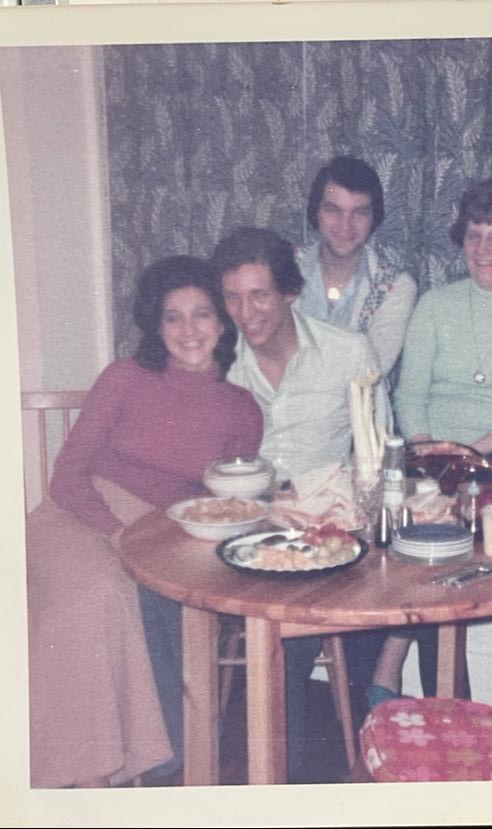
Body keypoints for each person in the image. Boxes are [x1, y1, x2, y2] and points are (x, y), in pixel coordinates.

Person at [27, 255, 263, 787]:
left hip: (164, 529)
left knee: (132, 594)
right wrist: (118, 532)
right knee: (96, 594)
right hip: (78, 516)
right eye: (172, 317)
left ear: (222, 322)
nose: (188, 330)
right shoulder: (125, 378)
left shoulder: (242, 408)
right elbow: (65, 478)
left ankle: (145, 763)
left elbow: (225, 500)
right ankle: (82, 775)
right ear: (157, 326)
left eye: (201, 314)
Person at [365, 177, 492, 709]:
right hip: (431, 453)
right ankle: (444, 701)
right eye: (474, 235)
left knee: (437, 538)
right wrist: (429, 450)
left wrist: (470, 454)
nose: (484, 249)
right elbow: (410, 393)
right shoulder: (434, 305)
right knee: (410, 531)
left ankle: (418, 686)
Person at [210, 226, 389, 777]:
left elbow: (377, 456)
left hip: (323, 533)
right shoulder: (216, 359)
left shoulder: (347, 354)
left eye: (259, 294)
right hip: (238, 532)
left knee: (318, 618)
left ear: (289, 291)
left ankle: (297, 771)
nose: (246, 311)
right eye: (233, 298)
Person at [295, 155, 417, 380]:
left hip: (354, 411)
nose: (346, 225)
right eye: (333, 210)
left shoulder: (395, 288)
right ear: (316, 213)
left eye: (359, 213)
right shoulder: (282, 269)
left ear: (374, 219)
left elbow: (369, 373)